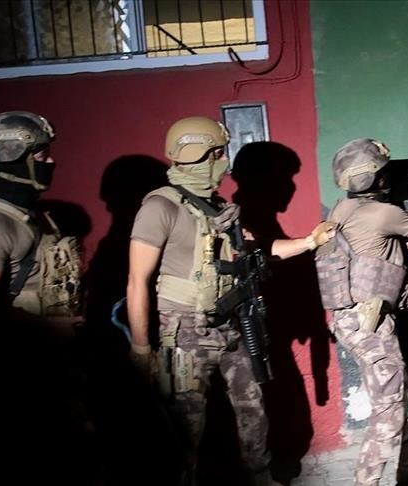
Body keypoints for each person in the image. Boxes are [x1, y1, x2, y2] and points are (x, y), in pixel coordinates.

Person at [126, 116, 334, 486]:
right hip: (185, 333)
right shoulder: (160, 207)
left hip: (232, 325)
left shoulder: (221, 209)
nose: (225, 162)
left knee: (253, 411)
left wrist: (309, 241)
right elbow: (137, 281)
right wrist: (141, 350)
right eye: (220, 153)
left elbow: (261, 250)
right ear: (203, 154)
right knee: (184, 429)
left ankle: (261, 478)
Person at [322, 138, 408, 486]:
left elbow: (366, 246)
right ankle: (367, 481)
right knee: (389, 406)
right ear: (378, 177)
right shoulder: (385, 213)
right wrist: (407, 228)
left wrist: (397, 241)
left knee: (392, 392)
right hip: (370, 322)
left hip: (349, 320)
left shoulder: (340, 209)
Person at [0, 111, 82, 329]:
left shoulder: (35, 216)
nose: (51, 162)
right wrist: (52, 329)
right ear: (15, 161)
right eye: (42, 156)